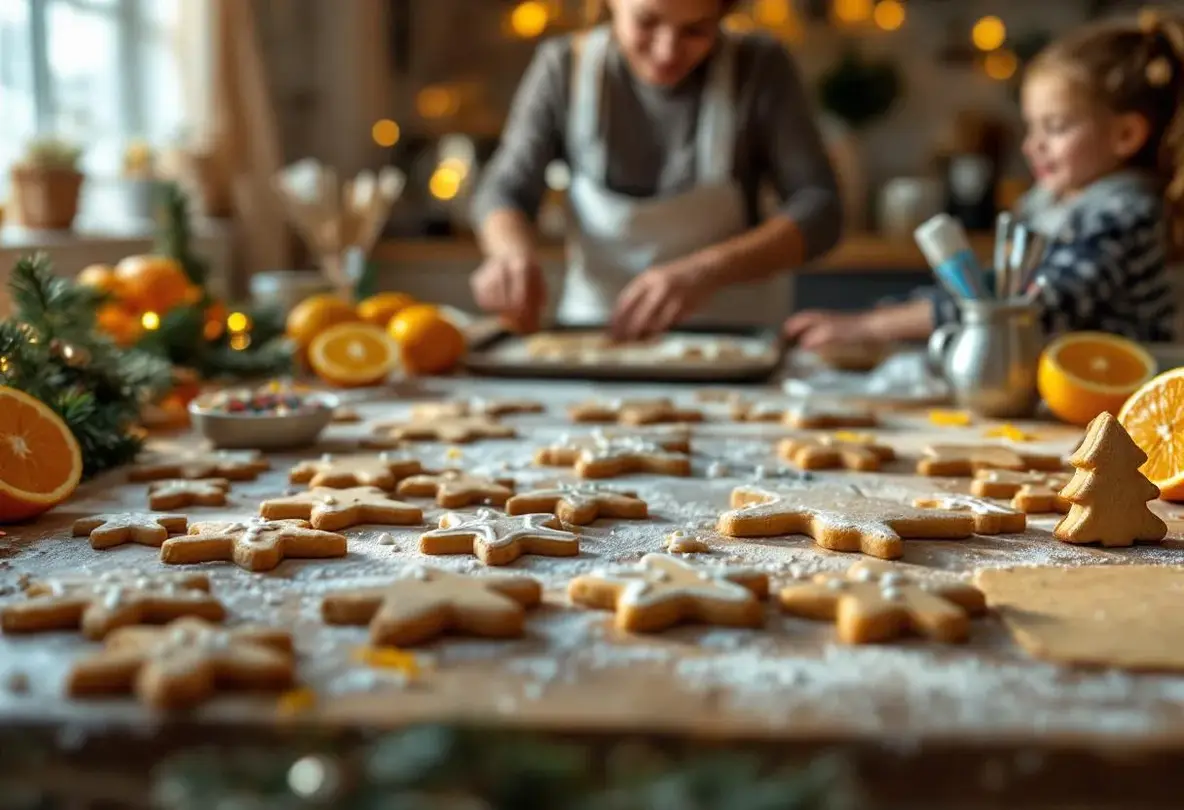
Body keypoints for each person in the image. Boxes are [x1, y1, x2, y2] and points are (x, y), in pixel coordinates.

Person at [786, 11, 1184, 348]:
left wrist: (871, 328)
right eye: (1031, 128)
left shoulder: (1125, 215)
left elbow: (1025, 307)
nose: (1033, 146)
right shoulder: (1055, 206)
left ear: (1126, 135)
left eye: (1056, 127)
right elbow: (986, 285)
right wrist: (880, 314)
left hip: (1117, 404)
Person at [470, 0, 842, 339]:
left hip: (731, 339)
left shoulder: (760, 67)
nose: (667, 51)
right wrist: (509, 254)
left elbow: (820, 208)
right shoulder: (563, 66)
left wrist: (706, 270)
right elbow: (505, 189)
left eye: (695, 30)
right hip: (593, 334)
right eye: (647, 22)